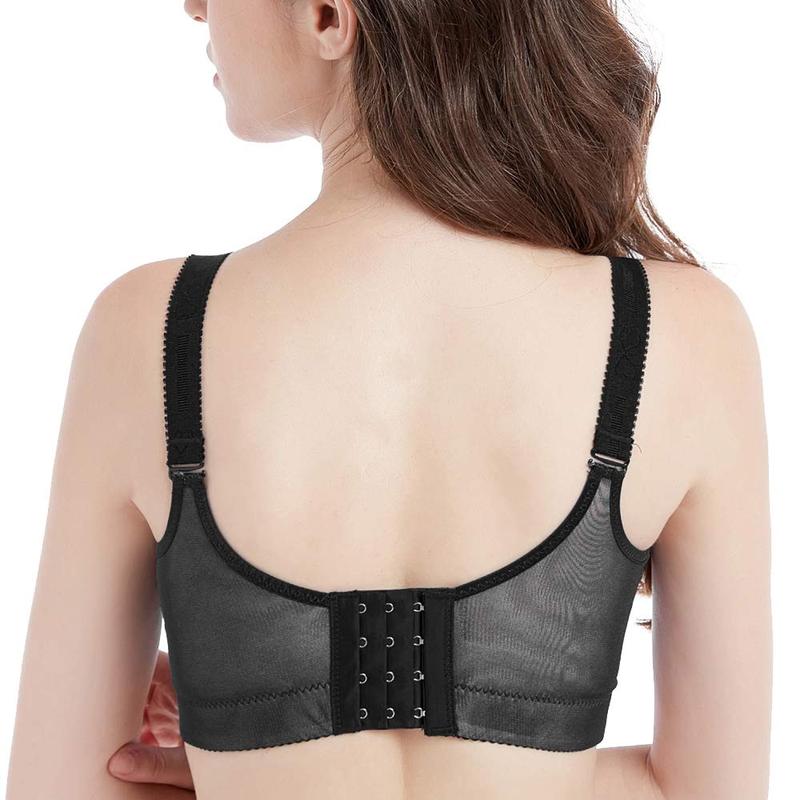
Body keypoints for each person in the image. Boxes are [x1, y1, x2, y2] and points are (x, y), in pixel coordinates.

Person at [6, 1, 772, 799]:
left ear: (329, 18)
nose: (194, 6)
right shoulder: (679, 332)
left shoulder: (153, 331)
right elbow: (704, 792)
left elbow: (58, 788)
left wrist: (253, 774)